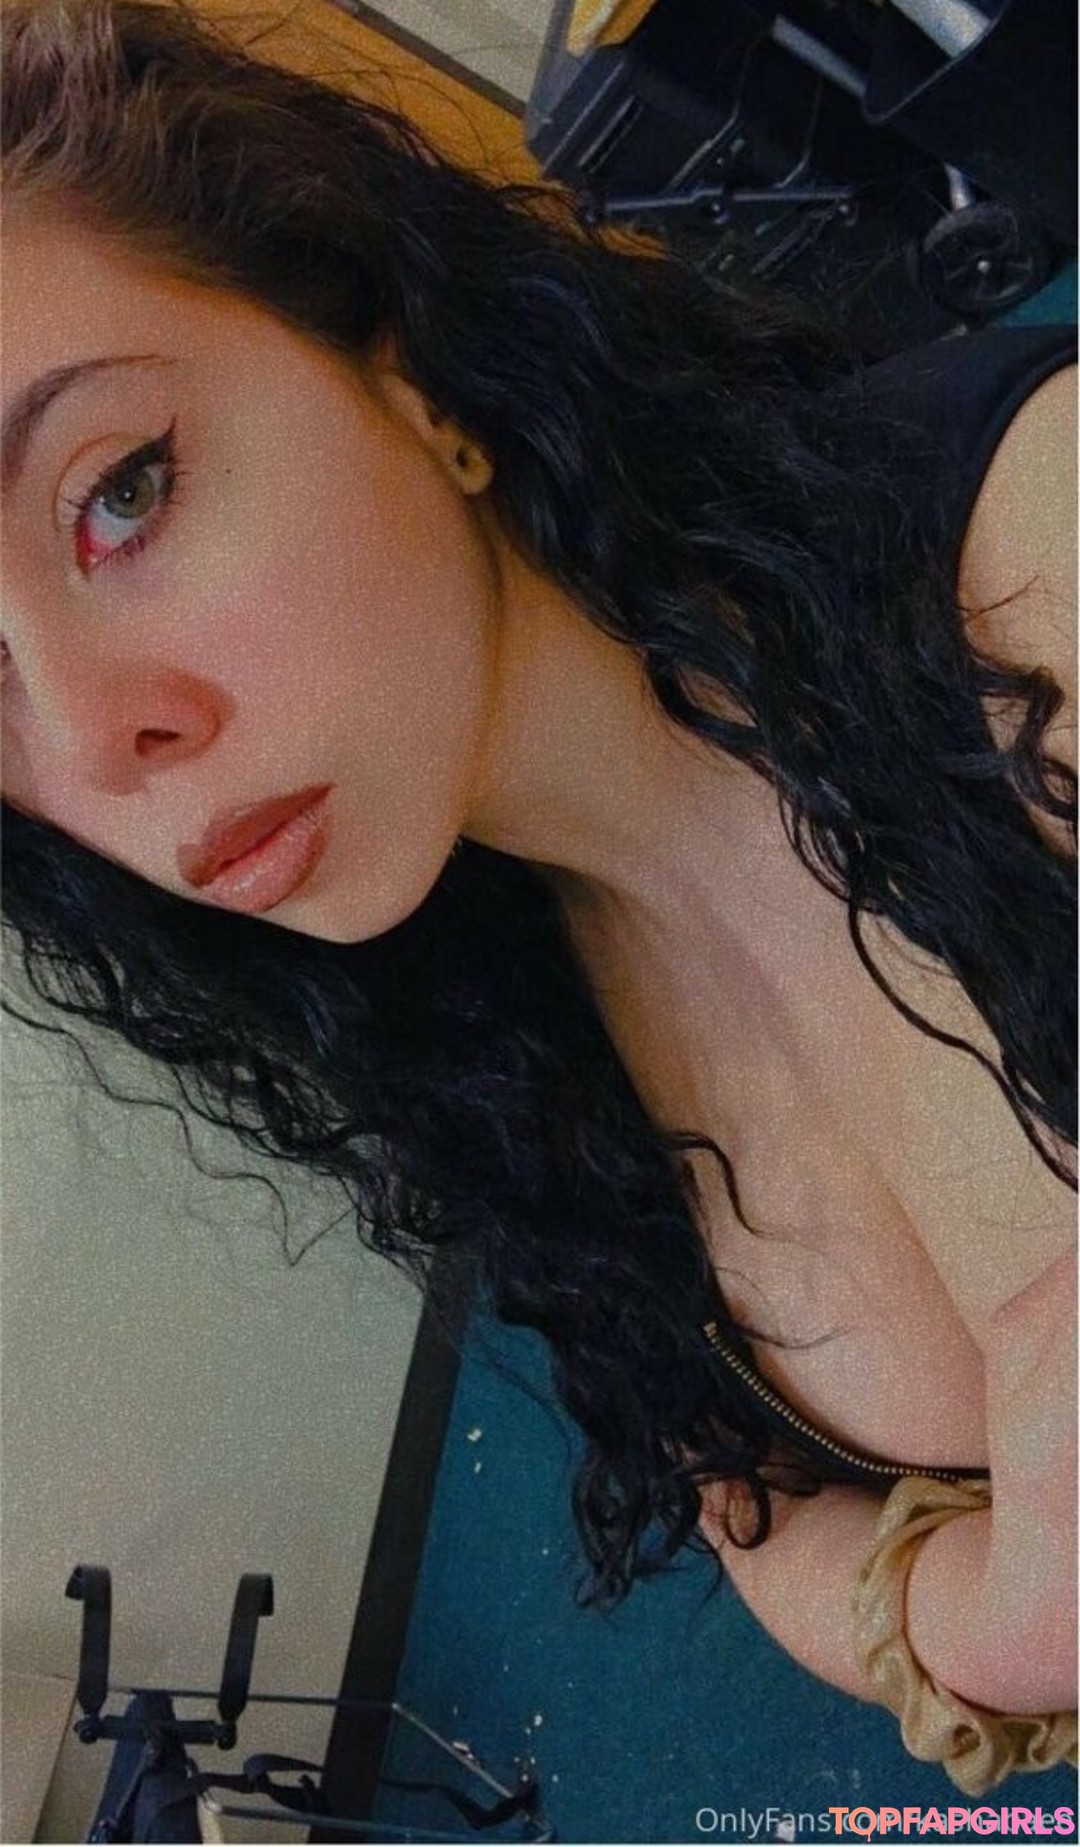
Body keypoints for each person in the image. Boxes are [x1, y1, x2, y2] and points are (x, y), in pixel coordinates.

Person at [2, 0, 1075, 1796]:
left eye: (121, 494)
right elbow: (741, 1498)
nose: (99, 744)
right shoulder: (495, 1050)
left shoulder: (1027, 571)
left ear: (393, 362)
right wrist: (973, 1623)